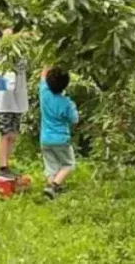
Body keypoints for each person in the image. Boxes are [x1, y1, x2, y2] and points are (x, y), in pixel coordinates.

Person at [0, 30, 28, 180]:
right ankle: (2, 166)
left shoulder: (19, 53)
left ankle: (7, 164)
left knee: (13, 134)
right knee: (5, 134)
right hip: (5, 100)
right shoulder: (1, 52)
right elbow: (0, 82)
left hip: (16, 100)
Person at [39, 67, 78, 199]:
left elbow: (43, 75)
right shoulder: (67, 103)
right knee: (68, 164)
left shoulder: (44, 93)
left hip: (45, 139)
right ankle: (54, 186)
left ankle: (50, 189)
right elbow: (74, 120)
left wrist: (48, 62)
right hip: (61, 140)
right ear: (66, 84)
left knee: (51, 166)